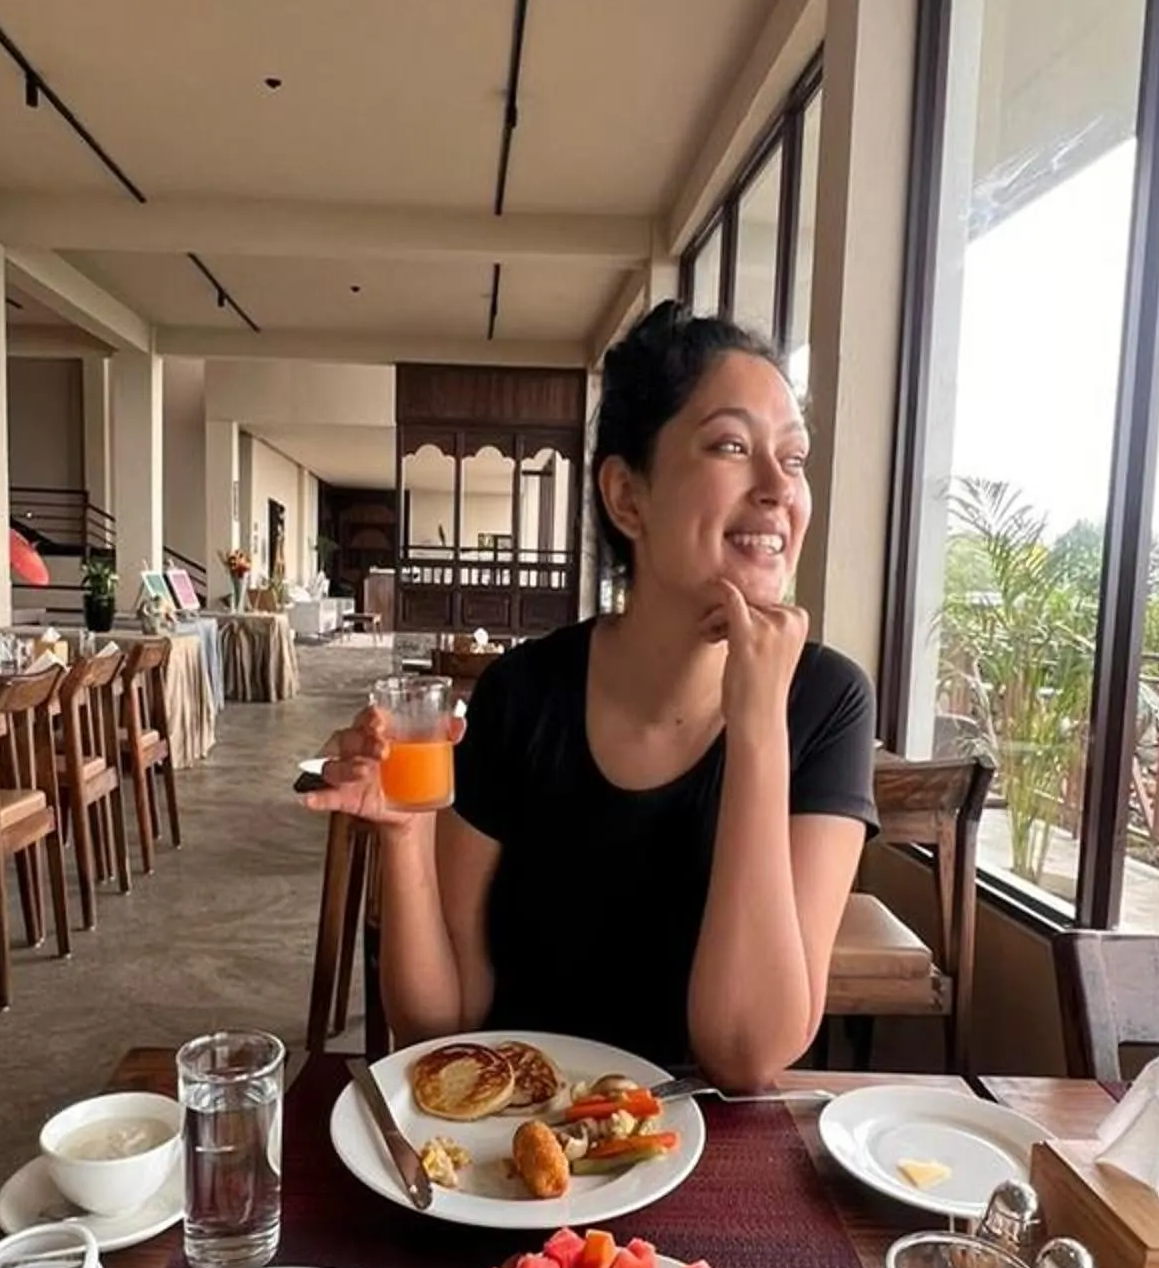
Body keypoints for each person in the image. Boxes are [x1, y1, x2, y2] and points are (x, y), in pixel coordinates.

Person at [306, 302, 876, 1085]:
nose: (780, 488)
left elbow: (745, 1053)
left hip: (699, 1162)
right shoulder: (521, 696)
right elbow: (440, 1024)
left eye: (796, 458)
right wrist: (404, 839)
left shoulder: (826, 702)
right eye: (732, 446)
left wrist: (756, 726)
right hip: (510, 1153)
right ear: (627, 497)